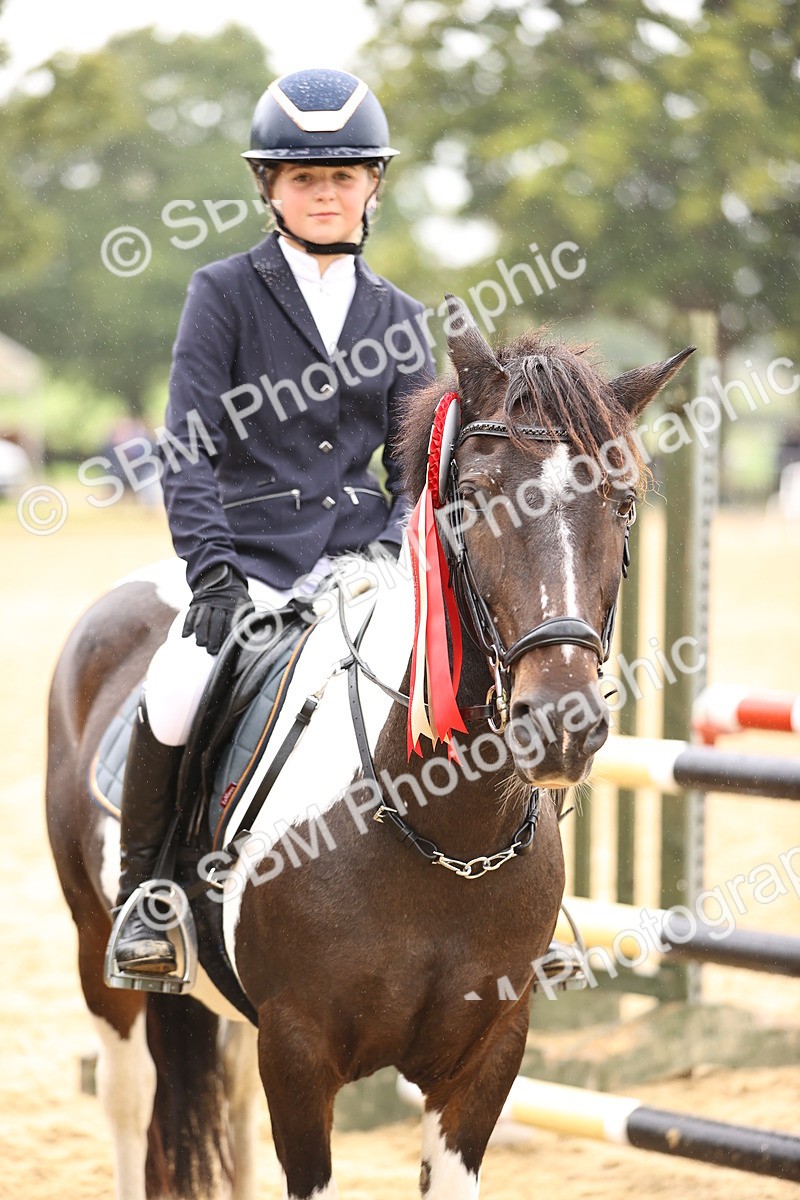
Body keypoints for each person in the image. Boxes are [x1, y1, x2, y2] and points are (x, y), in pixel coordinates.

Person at [110, 68, 434, 974]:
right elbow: (187, 444)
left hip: (364, 558)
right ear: (270, 187)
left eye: (341, 176)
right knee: (179, 679)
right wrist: (210, 568)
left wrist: (395, 548)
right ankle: (151, 892)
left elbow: (413, 468)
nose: (323, 192)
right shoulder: (224, 293)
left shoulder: (403, 318)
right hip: (247, 557)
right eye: (302, 176)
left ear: (372, 184)